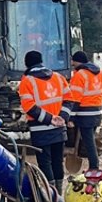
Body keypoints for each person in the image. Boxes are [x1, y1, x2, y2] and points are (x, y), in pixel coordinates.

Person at [18, 50, 69, 189]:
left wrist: (49, 119)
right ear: (42, 61)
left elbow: (29, 107)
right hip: (60, 128)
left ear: (26, 64)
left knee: (45, 162)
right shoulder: (59, 77)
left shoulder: (26, 81)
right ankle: (58, 195)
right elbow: (69, 100)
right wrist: (62, 118)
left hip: (40, 130)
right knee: (58, 161)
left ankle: (50, 195)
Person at [64, 51, 102, 178]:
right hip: (97, 111)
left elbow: (75, 99)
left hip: (85, 113)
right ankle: (92, 165)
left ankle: (94, 167)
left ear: (77, 61)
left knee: (88, 141)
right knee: (90, 139)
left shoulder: (79, 75)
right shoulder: (99, 72)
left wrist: (71, 117)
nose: (72, 64)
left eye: (73, 61)